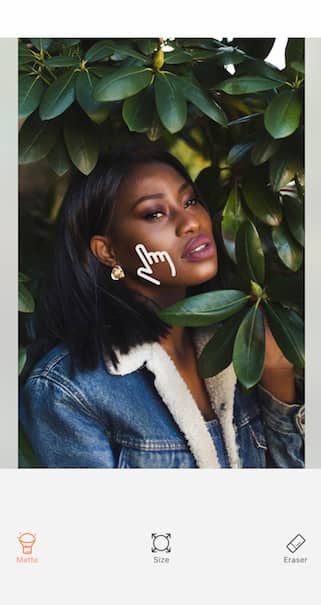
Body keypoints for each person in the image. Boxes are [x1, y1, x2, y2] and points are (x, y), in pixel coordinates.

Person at [19, 146, 304, 468]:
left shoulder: (241, 344)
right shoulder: (68, 390)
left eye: (190, 201)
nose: (190, 223)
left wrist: (277, 378)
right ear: (107, 252)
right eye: (155, 213)